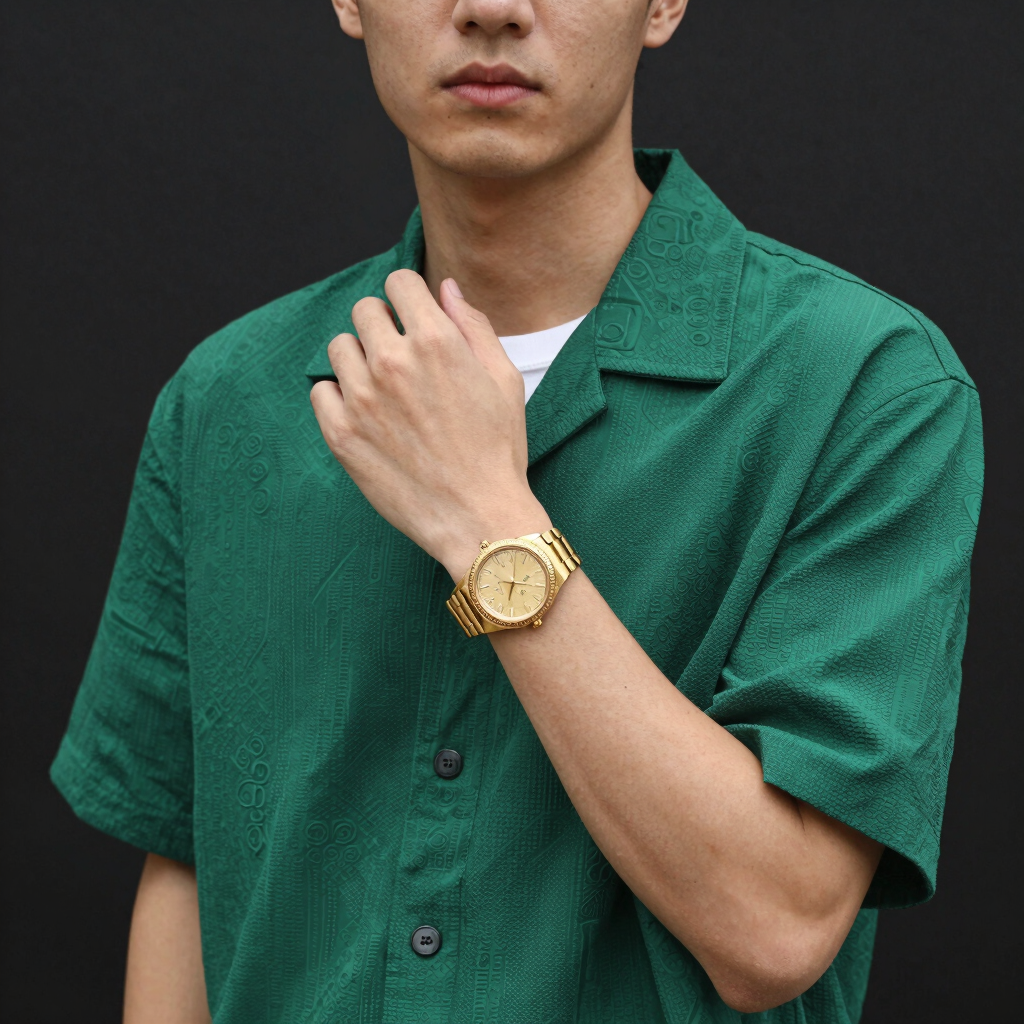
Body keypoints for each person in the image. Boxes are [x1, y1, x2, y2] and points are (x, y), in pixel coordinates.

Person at [50, 2, 984, 1022]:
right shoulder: (228, 401)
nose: (491, 9)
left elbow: (775, 928)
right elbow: (189, 871)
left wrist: (485, 519)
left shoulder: (862, 387)